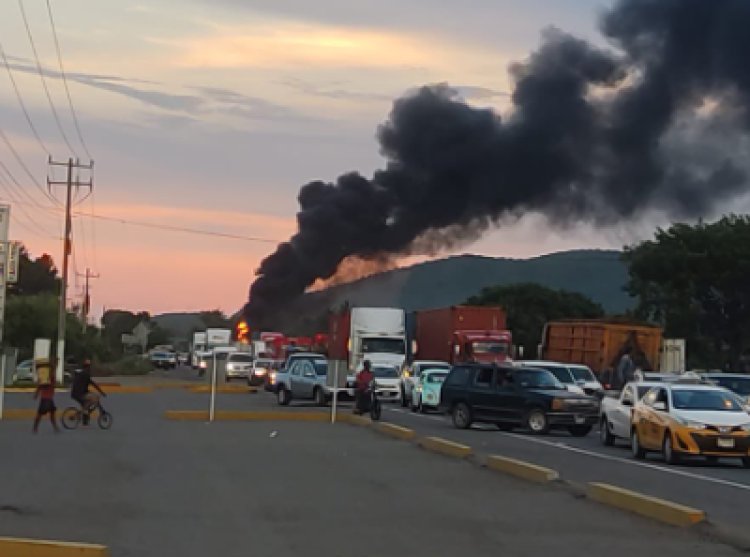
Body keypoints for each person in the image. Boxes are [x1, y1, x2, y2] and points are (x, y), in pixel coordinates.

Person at [70, 359, 106, 425]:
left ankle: (85, 420)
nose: (90, 368)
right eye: (89, 367)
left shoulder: (80, 373)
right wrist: (101, 392)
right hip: (80, 394)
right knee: (96, 397)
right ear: (88, 367)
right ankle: (84, 414)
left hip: (75, 394)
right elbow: (93, 384)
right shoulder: (86, 374)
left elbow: (81, 385)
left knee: (86, 403)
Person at [33, 359, 59, 433]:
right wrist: (36, 394)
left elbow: (39, 386)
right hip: (46, 398)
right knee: (40, 413)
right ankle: (35, 428)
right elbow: (40, 386)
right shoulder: (48, 377)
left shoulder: (46, 377)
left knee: (51, 413)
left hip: (48, 398)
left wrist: (36, 394)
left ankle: (55, 428)